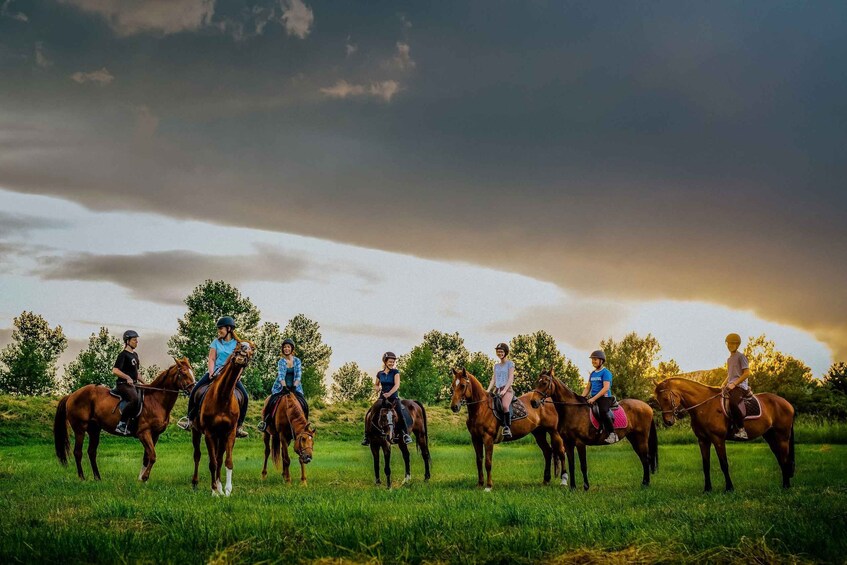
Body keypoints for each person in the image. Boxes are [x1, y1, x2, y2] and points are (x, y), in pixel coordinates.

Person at [178, 316, 250, 438]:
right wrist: (211, 372)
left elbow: (242, 362)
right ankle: (189, 420)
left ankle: (239, 426)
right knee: (195, 390)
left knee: (245, 397)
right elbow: (211, 358)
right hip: (215, 372)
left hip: (231, 376)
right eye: (218, 329)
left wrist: (237, 376)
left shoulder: (238, 344)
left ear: (228, 328)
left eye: (220, 329)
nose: (219, 331)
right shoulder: (216, 342)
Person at [361, 352, 412, 445]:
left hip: (393, 398)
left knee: (400, 413)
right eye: (390, 362)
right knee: (369, 413)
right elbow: (376, 384)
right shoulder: (380, 374)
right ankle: (367, 436)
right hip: (382, 399)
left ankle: (405, 435)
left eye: (393, 362)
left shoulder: (395, 372)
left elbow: (397, 385)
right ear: (385, 362)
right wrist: (377, 388)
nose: (392, 363)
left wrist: (389, 393)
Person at [258, 338, 307, 432]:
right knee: (271, 401)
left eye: (288, 347)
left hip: (295, 387)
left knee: (304, 404)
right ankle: (265, 422)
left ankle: (306, 423)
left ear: (292, 349)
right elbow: (281, 376)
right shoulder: (281, 361)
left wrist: (294, 387)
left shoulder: (297, 361)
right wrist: (284, 387)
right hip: (281, 387)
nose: (286, 349)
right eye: (284, 347)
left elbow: (298, 376)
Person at [112, 330, 145, 436]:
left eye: (137, 340)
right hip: (123, 384)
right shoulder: (123, 355)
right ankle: (121, 424)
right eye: (134, 340)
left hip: (133, 384)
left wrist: (146, 383)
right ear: (127, 341)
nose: (136, 342)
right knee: (134, 398)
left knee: (143, 397)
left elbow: (136, 373)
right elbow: (115, 370)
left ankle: (133, 425)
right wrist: (127, 378)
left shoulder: (135, 355)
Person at [721, 333, 752, 440]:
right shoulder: (729, 359)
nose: (730, 345)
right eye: (729, 343)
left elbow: (746, 373)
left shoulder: (741, 356)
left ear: (737, 345)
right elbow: (730, 375)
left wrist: (735, 383)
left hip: (740, 386)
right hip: (730, 386)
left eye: (733, 343)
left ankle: (742, 430)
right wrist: (723, 384)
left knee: (733, 403)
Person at [582, 350, 617, 444]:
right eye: (592, 360)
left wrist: (593, 398)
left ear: (601, 360)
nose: (593, 361)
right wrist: (581, 397)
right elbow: (587, 388)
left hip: (605, 398)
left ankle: (612, 434)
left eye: (595, 359)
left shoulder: (606, 372)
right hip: (594, 397)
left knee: (603, 411)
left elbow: (606, 388)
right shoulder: (593, 374)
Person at [486, 342, 515, 438]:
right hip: (497, 390)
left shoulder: (510, 364)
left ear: (506, 352)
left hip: (507, 390)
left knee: (505, 406)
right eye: (498, 352)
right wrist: (487, 390)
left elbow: (510, 378)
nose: (500, 353)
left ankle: (507, 428)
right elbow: (493, 379)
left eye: (501, 351)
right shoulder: (496, 366)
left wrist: (504, 390)